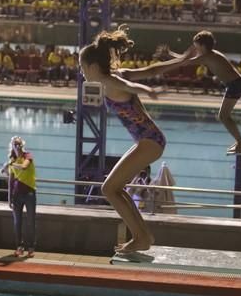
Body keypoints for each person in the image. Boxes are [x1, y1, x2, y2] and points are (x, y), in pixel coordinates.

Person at [78, 26, 193, 254]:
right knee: (113, 189)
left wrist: (147, 90)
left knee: (110, 189)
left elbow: (129, 86)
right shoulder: (115, 76)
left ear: (91, 66)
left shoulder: (112, 82)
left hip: (149, 142)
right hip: (148, 141)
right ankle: (143, 237)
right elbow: (152, 69)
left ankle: (141, 237)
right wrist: (181, 61)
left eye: (82, 67)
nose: (81, 72)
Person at [187, 30, 241, 154]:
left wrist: (169, 55)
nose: (196, 49)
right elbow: (187, 60)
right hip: (234, 84)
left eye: (197, 47)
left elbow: (185, 62)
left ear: (203, 46)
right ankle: (240, 141)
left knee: (223, 116)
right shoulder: (211, 54)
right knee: (224, 116)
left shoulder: (208, 56)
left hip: (235, 84)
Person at [0, 136, 37, 257]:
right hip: (17, 194)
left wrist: (11, 165)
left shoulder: (27, 156)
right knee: (17, 222)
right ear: (12, 146)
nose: (18, 146)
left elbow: (25, 167)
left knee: (30, 221)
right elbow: (11, 180)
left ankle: (31, 247)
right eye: (15, 144)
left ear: (22, 145)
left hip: (29, 193)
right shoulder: (12, 159)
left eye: (19, 144)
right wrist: (9, 198)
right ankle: (19, 247)